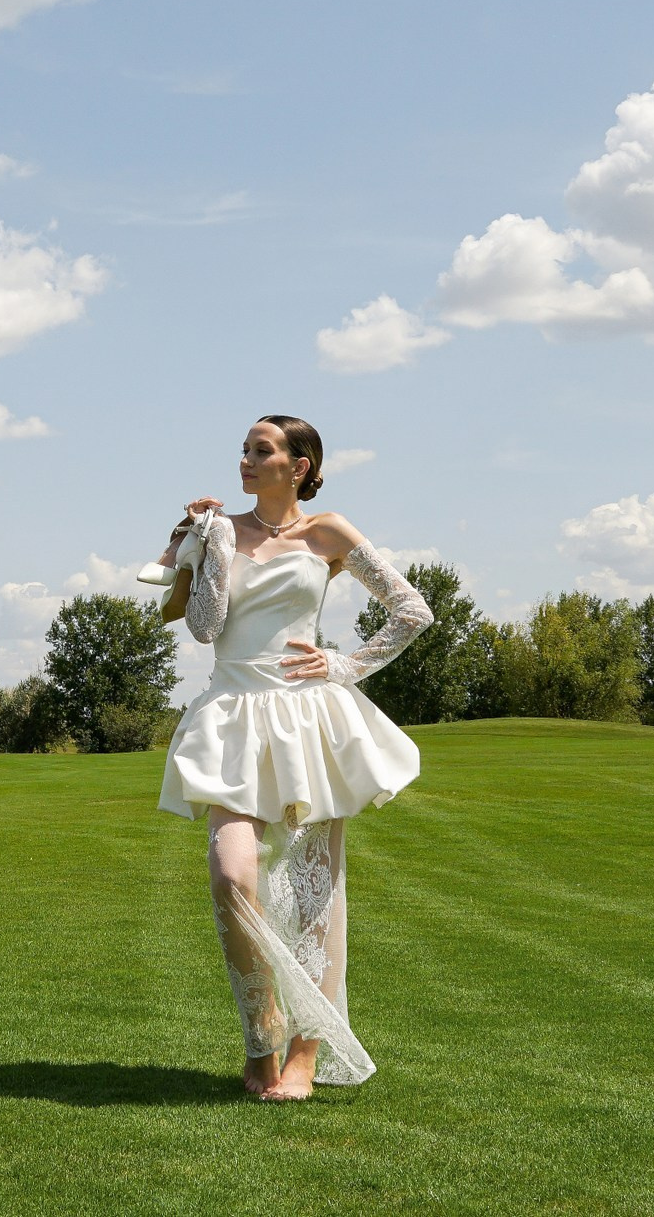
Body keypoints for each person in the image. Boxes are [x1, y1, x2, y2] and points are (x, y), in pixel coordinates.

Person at [147, 415, 430, 1100]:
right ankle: (261, 1033)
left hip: (307, 716)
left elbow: (411, 609)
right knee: (230, 871)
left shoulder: (328, 532)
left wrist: (343, 663)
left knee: (311, 898)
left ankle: (302, 1055)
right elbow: (184, 619)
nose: (246, 459)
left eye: (262, 450)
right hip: (231, 709)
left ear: (299, 465)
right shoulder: (221, 528)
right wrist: (185, 545)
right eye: (244, 449)